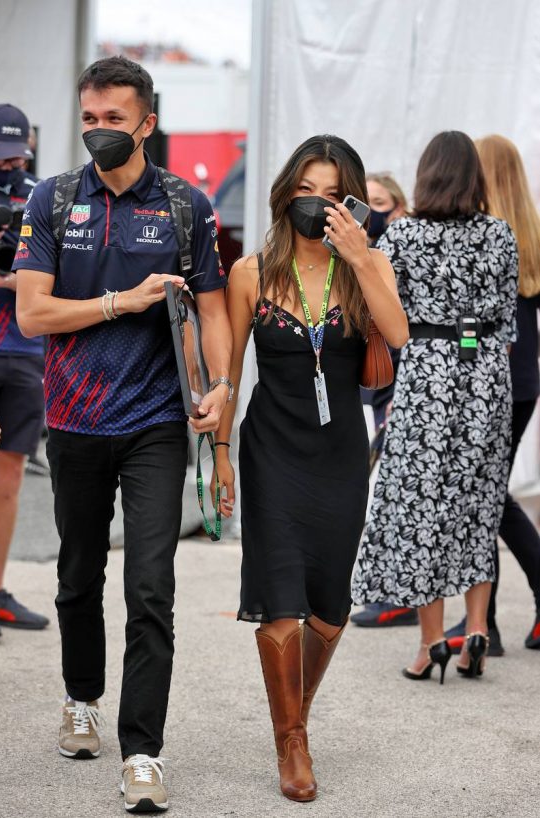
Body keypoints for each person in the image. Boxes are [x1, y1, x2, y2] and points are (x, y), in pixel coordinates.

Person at [15, 56, 232, 813]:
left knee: (151, 586)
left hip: (156, 423)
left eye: (114, 118)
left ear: (147, 123)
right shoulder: (53, 198)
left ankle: (142, 751)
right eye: (89, 118)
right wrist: (121, 302)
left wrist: (220, 385)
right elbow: (32, 314)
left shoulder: (184, 205)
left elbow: (213, 308)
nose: (99, 130)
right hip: (73, 419)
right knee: (78, 576)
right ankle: (81, 699)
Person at [212, 134, 408, 801]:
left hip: (340, 453)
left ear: (350, 204)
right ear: (284, 194)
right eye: (305, 191)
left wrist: (360, 254)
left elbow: (399, 336)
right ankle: (291, 741)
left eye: (331, 195)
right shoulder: (251, 273)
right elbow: (229, 372)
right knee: (280, 597)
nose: (316, 204)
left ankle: (294, 712)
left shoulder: (367, 265)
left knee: (328, 605)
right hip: (271, 448)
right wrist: (220, 456)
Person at [352, 131, 518, 684]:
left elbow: (385, 314)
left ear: (426, 177)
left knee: (425, 509)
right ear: (474, 177)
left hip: (427, 375)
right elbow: (507, 325)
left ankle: (431, 644)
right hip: (487, 376)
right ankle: (477, 632)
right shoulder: (499, 234)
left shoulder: (404, 235)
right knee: (479, 504)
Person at [444, 135, 540, 654]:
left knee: (486, 498)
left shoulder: (483, 235)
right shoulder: (530, 233)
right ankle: (486, 622)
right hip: (522, 382)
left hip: (485, 379)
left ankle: (486, 623)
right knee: (491, 496)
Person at [0, 103, 49, 640]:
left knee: (8, 476)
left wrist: (19, 278)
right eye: (0, 157)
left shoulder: (40, 195)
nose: (9, 166)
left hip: (25, 349)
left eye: (17, 156)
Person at [353, 172, 417, 629]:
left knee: (392, 490)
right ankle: (390, 593)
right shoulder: (359, 254)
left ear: (398, 207)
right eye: (365, 201)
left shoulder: (396, 253)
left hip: (399, 383)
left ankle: (399, 597)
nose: (371, 210)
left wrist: (405, 393)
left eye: (380, 202)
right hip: (373, 386)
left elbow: (411, 328)